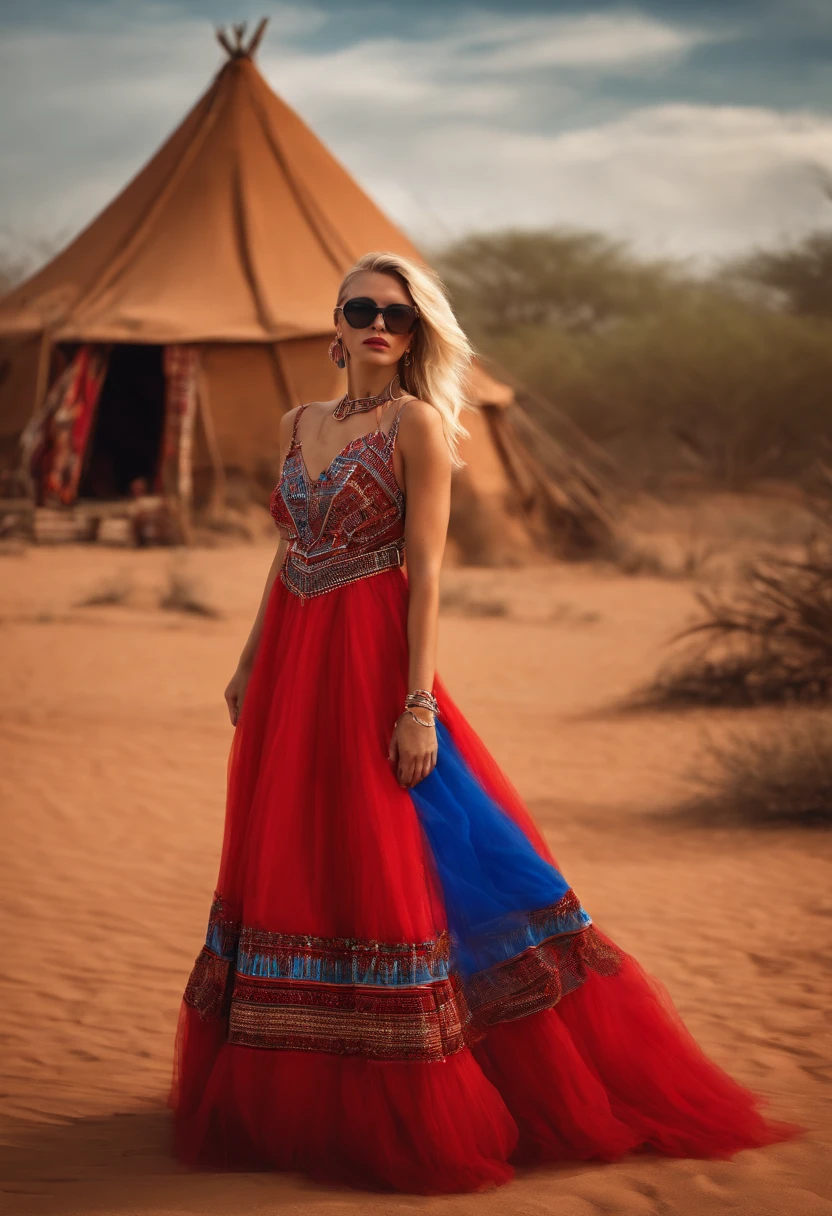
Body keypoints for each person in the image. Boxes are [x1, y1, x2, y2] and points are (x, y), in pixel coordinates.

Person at [170, 251, 798, 1194]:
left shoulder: (419, 426)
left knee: (399, 846)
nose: (379, 323)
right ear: (334, 325)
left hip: (370, 658)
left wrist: (416, 702)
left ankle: (415, 1089)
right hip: (294, 664)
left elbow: (425, 572)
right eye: (361, 308)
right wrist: (252, 657)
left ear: (418, 331)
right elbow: (289, 549)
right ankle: (300, 1082)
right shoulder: (300, 424)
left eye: (399, 313)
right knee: (296, 850)